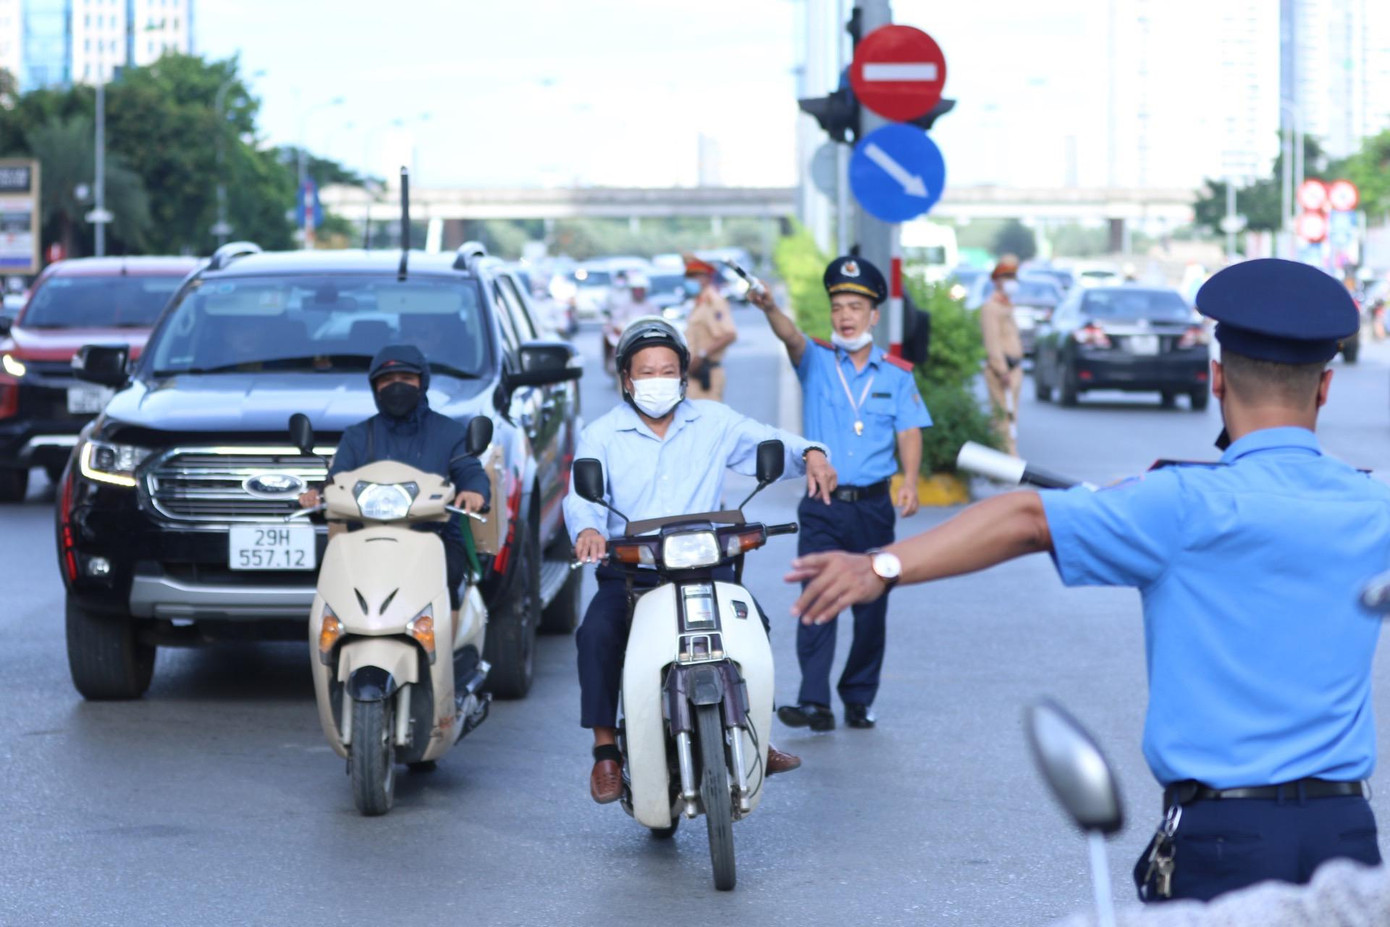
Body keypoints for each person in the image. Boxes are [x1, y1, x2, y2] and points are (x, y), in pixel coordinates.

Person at [786, 258, 1389, 903]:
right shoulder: (1370, 506)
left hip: (1224, 838)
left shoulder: (1174, 504)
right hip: (1348, 840)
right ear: (1324, 388)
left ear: (1216, 378)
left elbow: (1023, 518)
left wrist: (880, 566)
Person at [565, 317, 837, 803]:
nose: (657, 380)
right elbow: (582, 495)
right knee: (596, 635)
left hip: (706, 567)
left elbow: (768, 442)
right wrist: (587, 527)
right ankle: (606, 751)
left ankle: (753, 730)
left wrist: (813, 453)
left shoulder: (713, 422)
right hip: (633, 572)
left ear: (684, 374)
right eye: (645, 371)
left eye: (667, 369)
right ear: (626, 378)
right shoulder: (601, 434)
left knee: (755, 623)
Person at [748, 255, 932, 732]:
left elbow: (910, 431)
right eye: (838, 307)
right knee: (818, 596)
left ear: (874, 315)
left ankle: (857, 697)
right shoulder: (815, 361)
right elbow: (790, 335)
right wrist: (769, 308)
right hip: (824, 505)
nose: (845, 315)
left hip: (872, 507)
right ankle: (814, 702)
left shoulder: (896, 374)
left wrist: (909, 482)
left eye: (855, 306)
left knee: (871, 606)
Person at [298, 344, 490, 625]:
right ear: (375, 387)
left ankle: (444, 648)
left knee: (448, 570)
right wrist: (316, 495)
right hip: (367, 539)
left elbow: (469, 469)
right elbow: (336, 480)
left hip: (435, 538)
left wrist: (474, 491)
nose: (396, 387)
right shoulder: (357, 436)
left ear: (421, 382)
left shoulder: (449, 432)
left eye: (406, 379)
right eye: (387, 380)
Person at [979, 254, 1024, 455]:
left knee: (1011, 417)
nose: (1011, 282)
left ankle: (1007, 457)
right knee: (1002, 418)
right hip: (1002, 370)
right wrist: (1002, 370)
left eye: (1013, 277)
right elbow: (992, 341)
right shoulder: (991, 307)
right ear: (996, 280)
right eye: (1006, 277)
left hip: (1015, 368)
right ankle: (1008, 461)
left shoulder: (1007, 305)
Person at [682, 254, 738, 401]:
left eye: (695, 276)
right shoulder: (698, 303)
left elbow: (730, 334)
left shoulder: (714, 301)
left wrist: (702, 355)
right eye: (689, 277)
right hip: (694, 375)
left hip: (707, 373)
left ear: (706, 278)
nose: (691, 281)